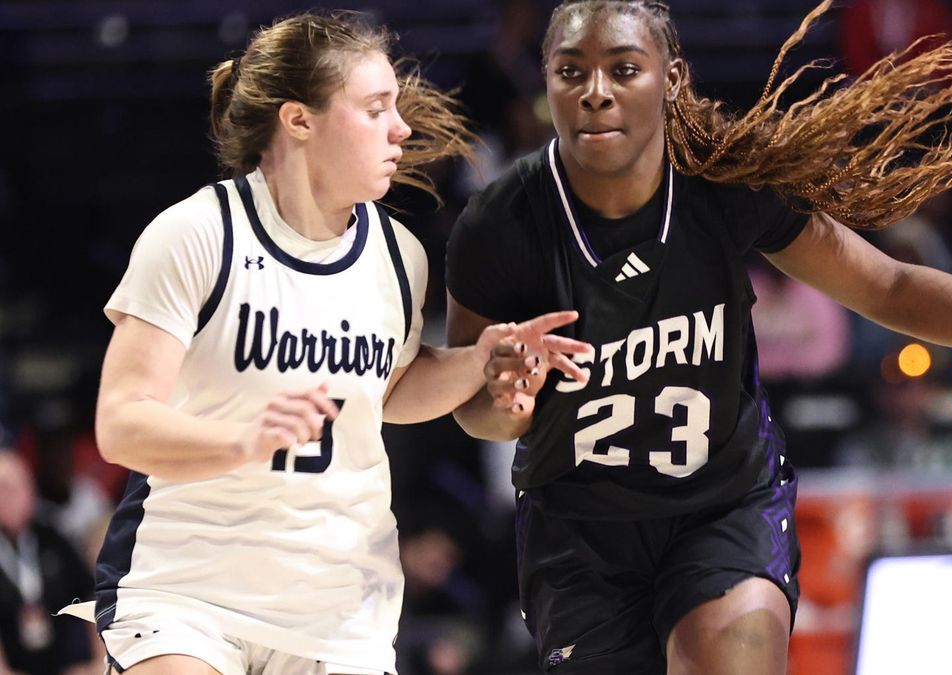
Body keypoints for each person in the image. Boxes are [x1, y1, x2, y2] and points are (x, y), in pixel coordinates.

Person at [444, 1, 952, 673]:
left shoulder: (724, 186)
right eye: (570, 71)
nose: (594, 92)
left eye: (623, 69)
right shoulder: (499, 224)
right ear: (546, 82)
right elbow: (474, 411)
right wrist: (502, 396)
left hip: (722, 504)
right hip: (580, 529)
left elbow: (885, 286)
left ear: (671, 78)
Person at [59, 11, 590, 675]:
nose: (401, 129)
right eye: (374, 110)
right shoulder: (197, 234)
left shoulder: (399, 257)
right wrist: (239, 441)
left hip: (337, 601)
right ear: (299, 121)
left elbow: (387, 390)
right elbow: (121, 422)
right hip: (188, 584)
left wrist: (480, 361)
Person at [0, 452, 96, 675]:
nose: (9, 497)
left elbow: (90, 593)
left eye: (16, 488)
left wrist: (100, 659)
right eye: (3, 489)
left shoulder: (53, 538)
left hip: (62, 664)